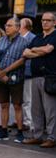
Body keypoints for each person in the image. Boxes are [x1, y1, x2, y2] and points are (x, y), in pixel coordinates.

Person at [0, 17, 28, 143]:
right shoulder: (1, 40)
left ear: (17, 28)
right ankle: (3, 130)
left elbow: (22, 60)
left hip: (16, 77)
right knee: (4, 105)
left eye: (10, 25)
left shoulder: (24, 42)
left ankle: (20, 132)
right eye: (6, 25)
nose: (7, 27)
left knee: (17, 105)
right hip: (1, 78)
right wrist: (0, 73)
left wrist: (4, 72)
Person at [22, 12, 56, 148]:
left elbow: (48, 50)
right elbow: (25, 52)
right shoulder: (38, 37)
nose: (45, 22)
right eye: (43, 20)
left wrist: (34, 51)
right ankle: (37, 136)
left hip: (49, 77)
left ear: (54, 22)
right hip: (35, 76)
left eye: (48, 20)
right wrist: (38, 51)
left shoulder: (55, 36)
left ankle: (52, 138)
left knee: (50, 110)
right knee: (36, 109)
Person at [20, 18, 36, 132]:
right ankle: (21, 121)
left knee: (28, 99)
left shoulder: (32, 38)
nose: (18, 26)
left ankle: (28, 123)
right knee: (20, 99)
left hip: (29, 72)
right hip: (19, 72)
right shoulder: (19, 38)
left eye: (19, 24)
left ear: (25, 26)